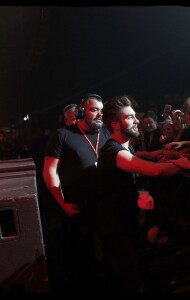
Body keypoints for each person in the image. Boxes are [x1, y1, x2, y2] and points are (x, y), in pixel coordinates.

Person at [95, 95, 181, 294]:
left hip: (126, 223)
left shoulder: (129, 147)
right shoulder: (114, 151)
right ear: (115, 124)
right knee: (131, 280)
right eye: (130, 117)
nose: (137, 120)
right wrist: (187, 165)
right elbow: (155, 170)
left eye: (135, 116)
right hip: (114, 228)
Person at [43, 93, 110, 292]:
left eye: (101, 110)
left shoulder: (105, 134)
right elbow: (49, 172)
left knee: (106, 258)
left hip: (105, 208)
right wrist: (62, 202)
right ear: (82, 111)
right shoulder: (63, 135)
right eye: (94, 109)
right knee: (81, 261)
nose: (99, 114)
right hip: (78, 210)